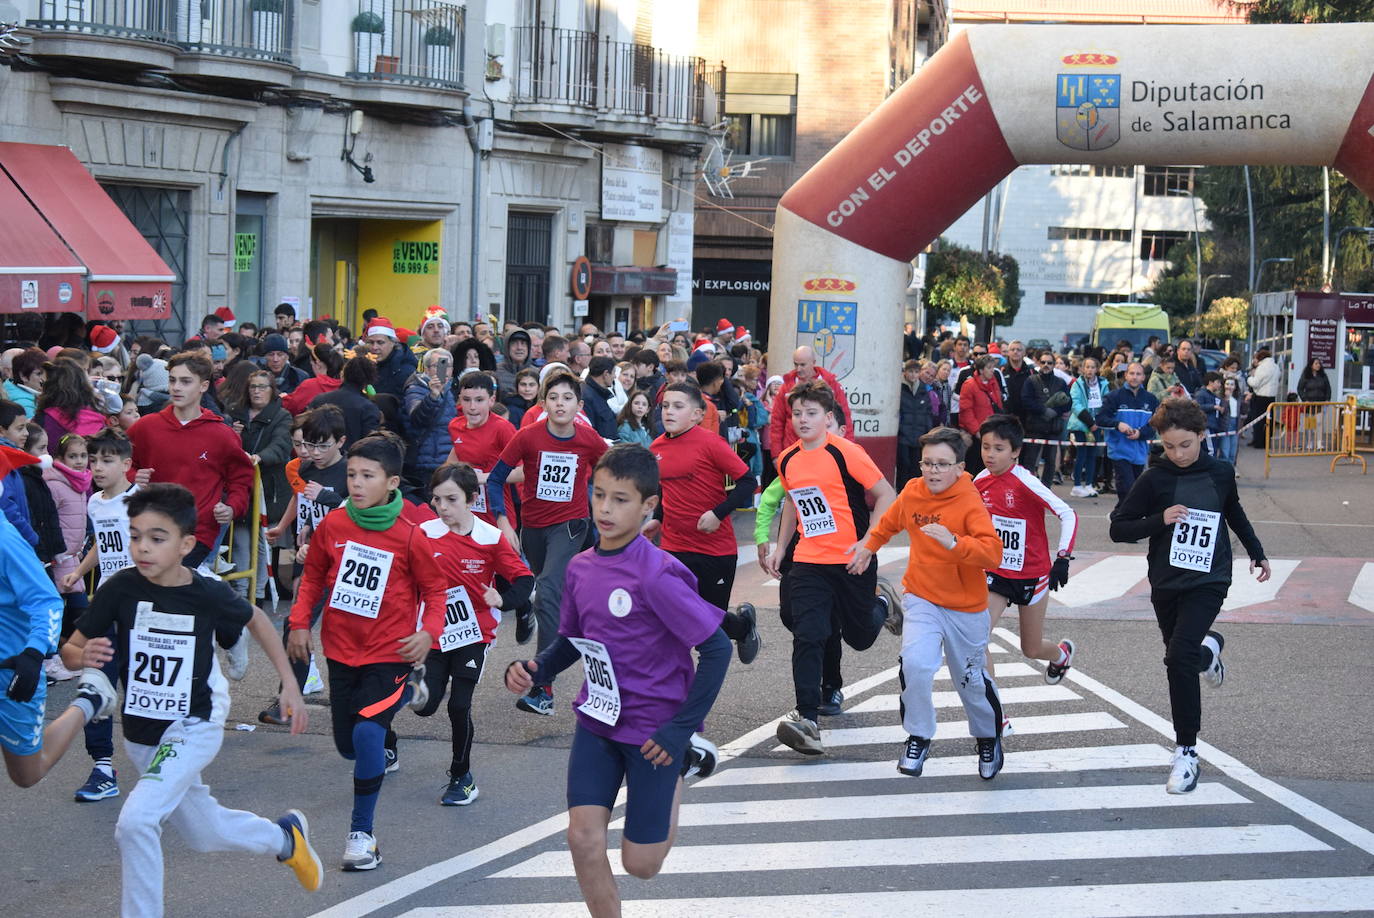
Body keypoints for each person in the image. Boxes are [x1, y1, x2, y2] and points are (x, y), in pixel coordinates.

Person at [60, 483, 321, 912]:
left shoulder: (205, 591)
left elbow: (256, 619)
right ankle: (283, 839)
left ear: (185, 545)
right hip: (142, 733)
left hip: (193, 723)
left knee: (136, 823)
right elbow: (71, 650)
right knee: (203, 832)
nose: (143, 547)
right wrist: (81, 657)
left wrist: (289, 684)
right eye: (135, 536)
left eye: (157, 538)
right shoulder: (120, 588)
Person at [502, 445, 728, 918]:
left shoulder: (657, 574)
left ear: (649, 505)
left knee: (641, 865)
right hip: (598, 719)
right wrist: (536, 669)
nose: (605, 509)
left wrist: (680, 730)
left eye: (620, 499)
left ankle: (684, 762)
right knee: (582, 838)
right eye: (599, 495)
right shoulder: (581, 566)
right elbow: (572, 640)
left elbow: (717, 649)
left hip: (655, 732)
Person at [286, 433, 446, 870]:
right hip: (341, 649)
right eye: (352, 474)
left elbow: (436, 591)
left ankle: (362, 836)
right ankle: (408, 694)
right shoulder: (334, 526)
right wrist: (299, 623)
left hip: (390, 651)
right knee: (348, 746)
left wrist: (428, 633)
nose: (356, 483)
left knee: (367, 735)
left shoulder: (409, 536)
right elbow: (312, 578)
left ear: (391, 482)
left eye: (367, 476)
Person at [1109, 398, 1270, 794]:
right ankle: (1208, 652)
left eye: (1185, 444)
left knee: (1177, 657)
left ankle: (1186, 752)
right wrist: (1159, 519)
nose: (1178, 454)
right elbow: (1119, 528)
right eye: (1169, 446)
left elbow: (1233, 511)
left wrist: (1256, 551)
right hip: (1167, 581)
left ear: (1201, 435)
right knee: (1182, 656)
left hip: (1209, 579)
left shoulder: (1220, 472)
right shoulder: (1155, 478)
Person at [849, 426, 1006, 779]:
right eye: (927, 463)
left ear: (959, 468)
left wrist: (955, 543)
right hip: (922, 598)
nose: (933, 471)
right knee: (916, 665)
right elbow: (887, 524)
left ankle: (987, 737)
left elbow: (993, 553)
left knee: (971, 681)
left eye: (942, 464)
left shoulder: (969, 501)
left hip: (966, 608)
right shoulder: (913, 492)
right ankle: (918, 735)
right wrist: (867, 547)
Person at [763, 381, 898, 756]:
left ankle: (883, 604)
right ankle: (807, 719)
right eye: (797, 414)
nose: (803, 420)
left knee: (860, 636)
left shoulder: (845, 452)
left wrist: (868, 544)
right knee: (808, 634)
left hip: (853, 559)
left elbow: (887, 495)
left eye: (811, 413)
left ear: (827, 417)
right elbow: (793, 503)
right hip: (809, 561)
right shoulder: (787, 459)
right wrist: (781, 548)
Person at [485, 372, 609, 715]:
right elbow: (495, 479)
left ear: (579, 405)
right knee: (555, 596)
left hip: (571, 524)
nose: (560, 404)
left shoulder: (588, 439)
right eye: (553, 398)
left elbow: (611, 473)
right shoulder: (528, 436)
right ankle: (581, 634)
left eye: (567, 398)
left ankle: (543, 687)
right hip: (533, 528)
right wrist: (503, 520)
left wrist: (605, 508)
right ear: (543, 404)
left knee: (548, 592)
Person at [1, 443, 121, 792]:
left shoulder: (5, 540)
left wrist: (33, 653)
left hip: (12, 670)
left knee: (27, 774)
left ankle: (88, 702)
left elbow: (47, 602)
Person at [414, 463, 533, 805]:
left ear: (471, 499)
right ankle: (390, 741)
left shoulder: (490, 538)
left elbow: (525, 580)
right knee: (424, 707)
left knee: (459, 705)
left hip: (474, 632)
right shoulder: (423, 534)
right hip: (434, 630)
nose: (443, 507)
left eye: (451, 499)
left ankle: (462, 777)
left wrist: (503, 599)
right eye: (437, 499)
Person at [973, 415, 1078, 733]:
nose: (990, 455)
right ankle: (996, 715)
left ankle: (1060, 654)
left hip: (1032, 574)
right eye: (986, 447)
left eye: (999, 448)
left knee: (1031, 649)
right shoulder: (980, 481)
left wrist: (1062, 557)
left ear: (1016, 451)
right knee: (977, 640)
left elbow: (1068, 514)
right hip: (996, 573)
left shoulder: (1025, 481)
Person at [648, 383, 761, 659]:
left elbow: (747, 482)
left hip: (714, 550)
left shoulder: (711, 443)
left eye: (678, 406)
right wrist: (658, 519)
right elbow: (664, 487)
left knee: (709, 628)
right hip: (673, 548)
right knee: (671, 623)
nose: (669, 412)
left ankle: (743, 627)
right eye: (665, 406)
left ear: (697, 415)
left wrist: (718, 514)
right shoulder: (657, 447)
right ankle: (677, 684)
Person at [57, 428, 138, 800]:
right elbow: (102, 545)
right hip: (105, 605)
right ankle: (103, 767)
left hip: (138, 608)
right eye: (93, 461)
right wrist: (79, 570)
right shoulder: (94, 502)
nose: (98, 468)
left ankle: (165, 757)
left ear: (126, 464)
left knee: (138, 688)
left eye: (107, 461)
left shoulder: (141, 502)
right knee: (96, 681)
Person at [757, 402, 851, 718]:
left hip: (838, 554)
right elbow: (777, 499)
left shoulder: (851, 463)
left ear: (840, 430)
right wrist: (770, 543)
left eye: (828, 427)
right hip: (801, 550)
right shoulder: (796, 461)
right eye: (800, 415)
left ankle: (829, 686)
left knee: (828, 624)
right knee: (792, 616)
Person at [261, 406, 349, 724]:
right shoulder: (308, 468)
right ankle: (288, 699)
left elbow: (367, 510)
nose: (314, 452)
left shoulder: (352, 471)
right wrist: (305, 529)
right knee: (295, 624)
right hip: (316, 561)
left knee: (350, 634)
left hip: (350, 565)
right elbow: (306, 504)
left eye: (322, 445)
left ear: (341, 441)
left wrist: (332, 499)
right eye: (308, 445)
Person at [129, 352, 254, 571]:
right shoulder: (145, 427)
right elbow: (122, 465)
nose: (176, 387)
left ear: (203, 386)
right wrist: (132, 476)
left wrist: (232, 507)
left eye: (185, 381)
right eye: (172, 380)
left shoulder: (222, 434)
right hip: (150, 527)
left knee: (168, 580)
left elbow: (241, 479)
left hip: (198, 532)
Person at [766, 345, 849, 458]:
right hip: (793, 451)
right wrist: (776, 455)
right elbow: (777, 422)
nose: (798, 369)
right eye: (796, 364)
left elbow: (845, 418)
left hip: (825, 451)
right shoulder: (786, 387)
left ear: (813, 363)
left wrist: (847, 451)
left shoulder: (831, 384)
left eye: (803, 365)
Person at [1095, 362, 1159, 508]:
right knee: (1126, 489)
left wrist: (1140, 433)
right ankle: (1123, 518)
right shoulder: (1114, 397)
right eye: (1131, 373)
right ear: (1125, 375)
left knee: (1135, 491)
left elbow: (1155, 424)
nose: (1134, 377)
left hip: (1140, 454)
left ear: (1143, 377)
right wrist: (1118, 424)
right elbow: (1100, 419)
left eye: (1138, 374)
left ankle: (1118, 515)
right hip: (1119, 451)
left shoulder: (1151, 399)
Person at [403, 348, 459, 502]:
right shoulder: (416, 387)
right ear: (426, 369)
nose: (443, 370)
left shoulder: (453, 390)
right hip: (426, 464)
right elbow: (417, 418)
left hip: (449, 462)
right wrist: (433, 396)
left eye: (447, 365)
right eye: (437, 365)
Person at [1019, 351, 1071, 488]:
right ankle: (1029, 489)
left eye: (1049, 362)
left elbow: (1068, 402)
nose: (1046, 365)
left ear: (1054, 365)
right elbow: (1026, 400)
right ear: (1039, 363)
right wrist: (1043, 410)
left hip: (1054, 427)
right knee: (1030, 461)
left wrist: (1056, 411)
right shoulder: (1031, 381)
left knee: (1051, 461)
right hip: (1034, 427)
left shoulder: (1060, 382)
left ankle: (1046, 490)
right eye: (1043, 362)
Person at [310, 354, 382, 449]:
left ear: (343, 375)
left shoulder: (319, 400)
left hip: (320, 452)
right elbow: (369, 443)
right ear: (368, 380)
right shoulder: (368, 407)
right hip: (353, 455)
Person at [1067, 356, 1109, 497]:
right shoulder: (1077, 384)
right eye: (1087, 367)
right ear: (1083, 369)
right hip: (1081, 423)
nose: (1090, 370)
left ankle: (1089, 484)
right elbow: (1076, 404)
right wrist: (1090, 422)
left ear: (1097, 369)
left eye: (1092, 367)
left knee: (1092, 454)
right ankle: (1077, 485)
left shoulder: (1103, 384)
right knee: (1082, 454)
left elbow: (1106, 402)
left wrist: (1099, 422)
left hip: (1097, 423)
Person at [958, 355, 1003, 477]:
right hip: (976, 435)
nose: (992, 370)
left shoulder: (993, 383)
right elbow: (966, 411)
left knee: (987, 467)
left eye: (993, 367)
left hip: (991, 431)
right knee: (972, 467)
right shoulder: (969, 384)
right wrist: (977, 431)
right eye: (989, 367)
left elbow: (998, 405)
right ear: (981, 370)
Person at [897, 359, 935, 489]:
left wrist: (928, 434)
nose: (913, 375)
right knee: (903, 465)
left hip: (919, 435)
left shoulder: (923, 390)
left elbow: (928, 414)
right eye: (911, 371)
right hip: (903, 435)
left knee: (916, 467)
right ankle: (902, 492)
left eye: (916, 372)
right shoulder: (899, 388)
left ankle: (914, 492)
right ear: (905, 372)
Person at [360, 317, 418, 401]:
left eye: (380, 342)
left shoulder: (405, 371)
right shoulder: (363, 366)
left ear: (393, 343)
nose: (374, 347)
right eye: (371, 342)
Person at [282, 344, 344, 416]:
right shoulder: (346, 384)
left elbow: (291, 407)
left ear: (318, 364)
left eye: (311, 364)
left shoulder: (310, 385)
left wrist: (283, 397)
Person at [1247, 348, 1281, 448]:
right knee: (1269, 420)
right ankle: (1266, 441)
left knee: (1258, 420)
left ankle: (1258, 442)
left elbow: (1255, 383)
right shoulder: (1276, 367)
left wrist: (1249, 378)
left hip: (1260, 396)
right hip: (1271, 397)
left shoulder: (1262, 367)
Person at [580, 356, 620, 440]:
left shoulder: (599, 394)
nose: (615, 377)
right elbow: (588, 431)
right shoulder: (586, 397)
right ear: (606, 374)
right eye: (613, 372)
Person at [495, 329, 534, 399]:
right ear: (507, 347)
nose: (519, 348)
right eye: (514, 343)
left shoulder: (537, 373)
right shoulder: (496, 372)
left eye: (523, 343)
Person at [1195, 372, 1227, 456]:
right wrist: (1213, 407)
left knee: (1213, 449)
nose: (1220, 385)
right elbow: (1197, 407)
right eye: (1218, 382)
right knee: (1211, 450)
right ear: (1210, 382)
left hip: (1214, 426)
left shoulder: (1214, 395)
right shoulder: (1201, 394)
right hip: (1207, 426)